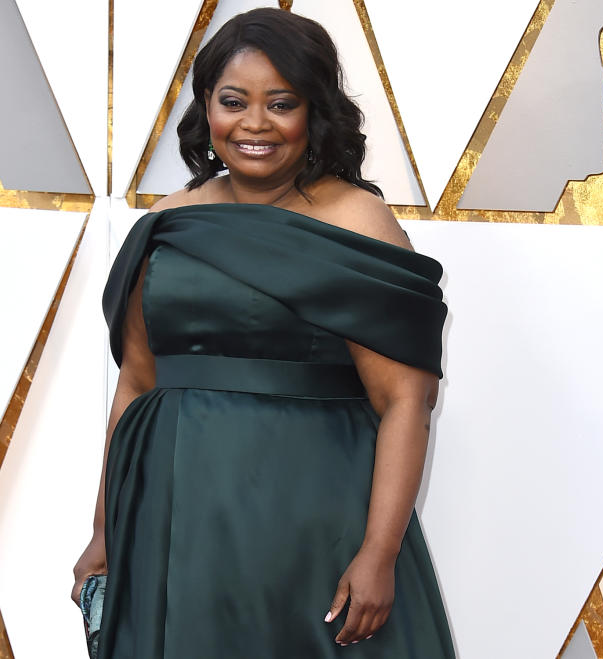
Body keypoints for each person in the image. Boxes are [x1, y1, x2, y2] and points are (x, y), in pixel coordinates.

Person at [73, 8, 454, 658]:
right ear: (206, 110)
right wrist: (105, 532)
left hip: (312, 523)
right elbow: (135, 385)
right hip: (174, 520)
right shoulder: (167, 223)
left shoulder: (358, 222)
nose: (254, 124)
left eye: (281, 103)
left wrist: (380, 551)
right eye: (233, 101)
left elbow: (405, 402)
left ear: (315, 111)